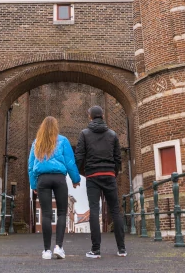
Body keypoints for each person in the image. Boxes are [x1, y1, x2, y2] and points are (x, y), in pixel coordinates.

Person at [75, 105, 126, 258]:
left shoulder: (84, 134)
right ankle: (122, 249)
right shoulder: (113, 134)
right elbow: (118, 158)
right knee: (115, 211)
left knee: (94, 211)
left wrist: (78, 174)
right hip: (109, 174)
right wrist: (113, 172)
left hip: (92, 177)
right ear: (102, 116)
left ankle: (95, 250)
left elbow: (79, 156)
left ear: (89, 116)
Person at [28, 116, 81, 260]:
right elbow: (70, 162)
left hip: (42, 179)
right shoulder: (63, 140)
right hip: (59, 179)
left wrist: (34, 185)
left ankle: (46, 251)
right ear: (56, 127)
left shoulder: (36, 143)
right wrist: (76, 179)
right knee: (62, 212)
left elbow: (31, 166)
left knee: (45, 214)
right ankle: (59, 247)